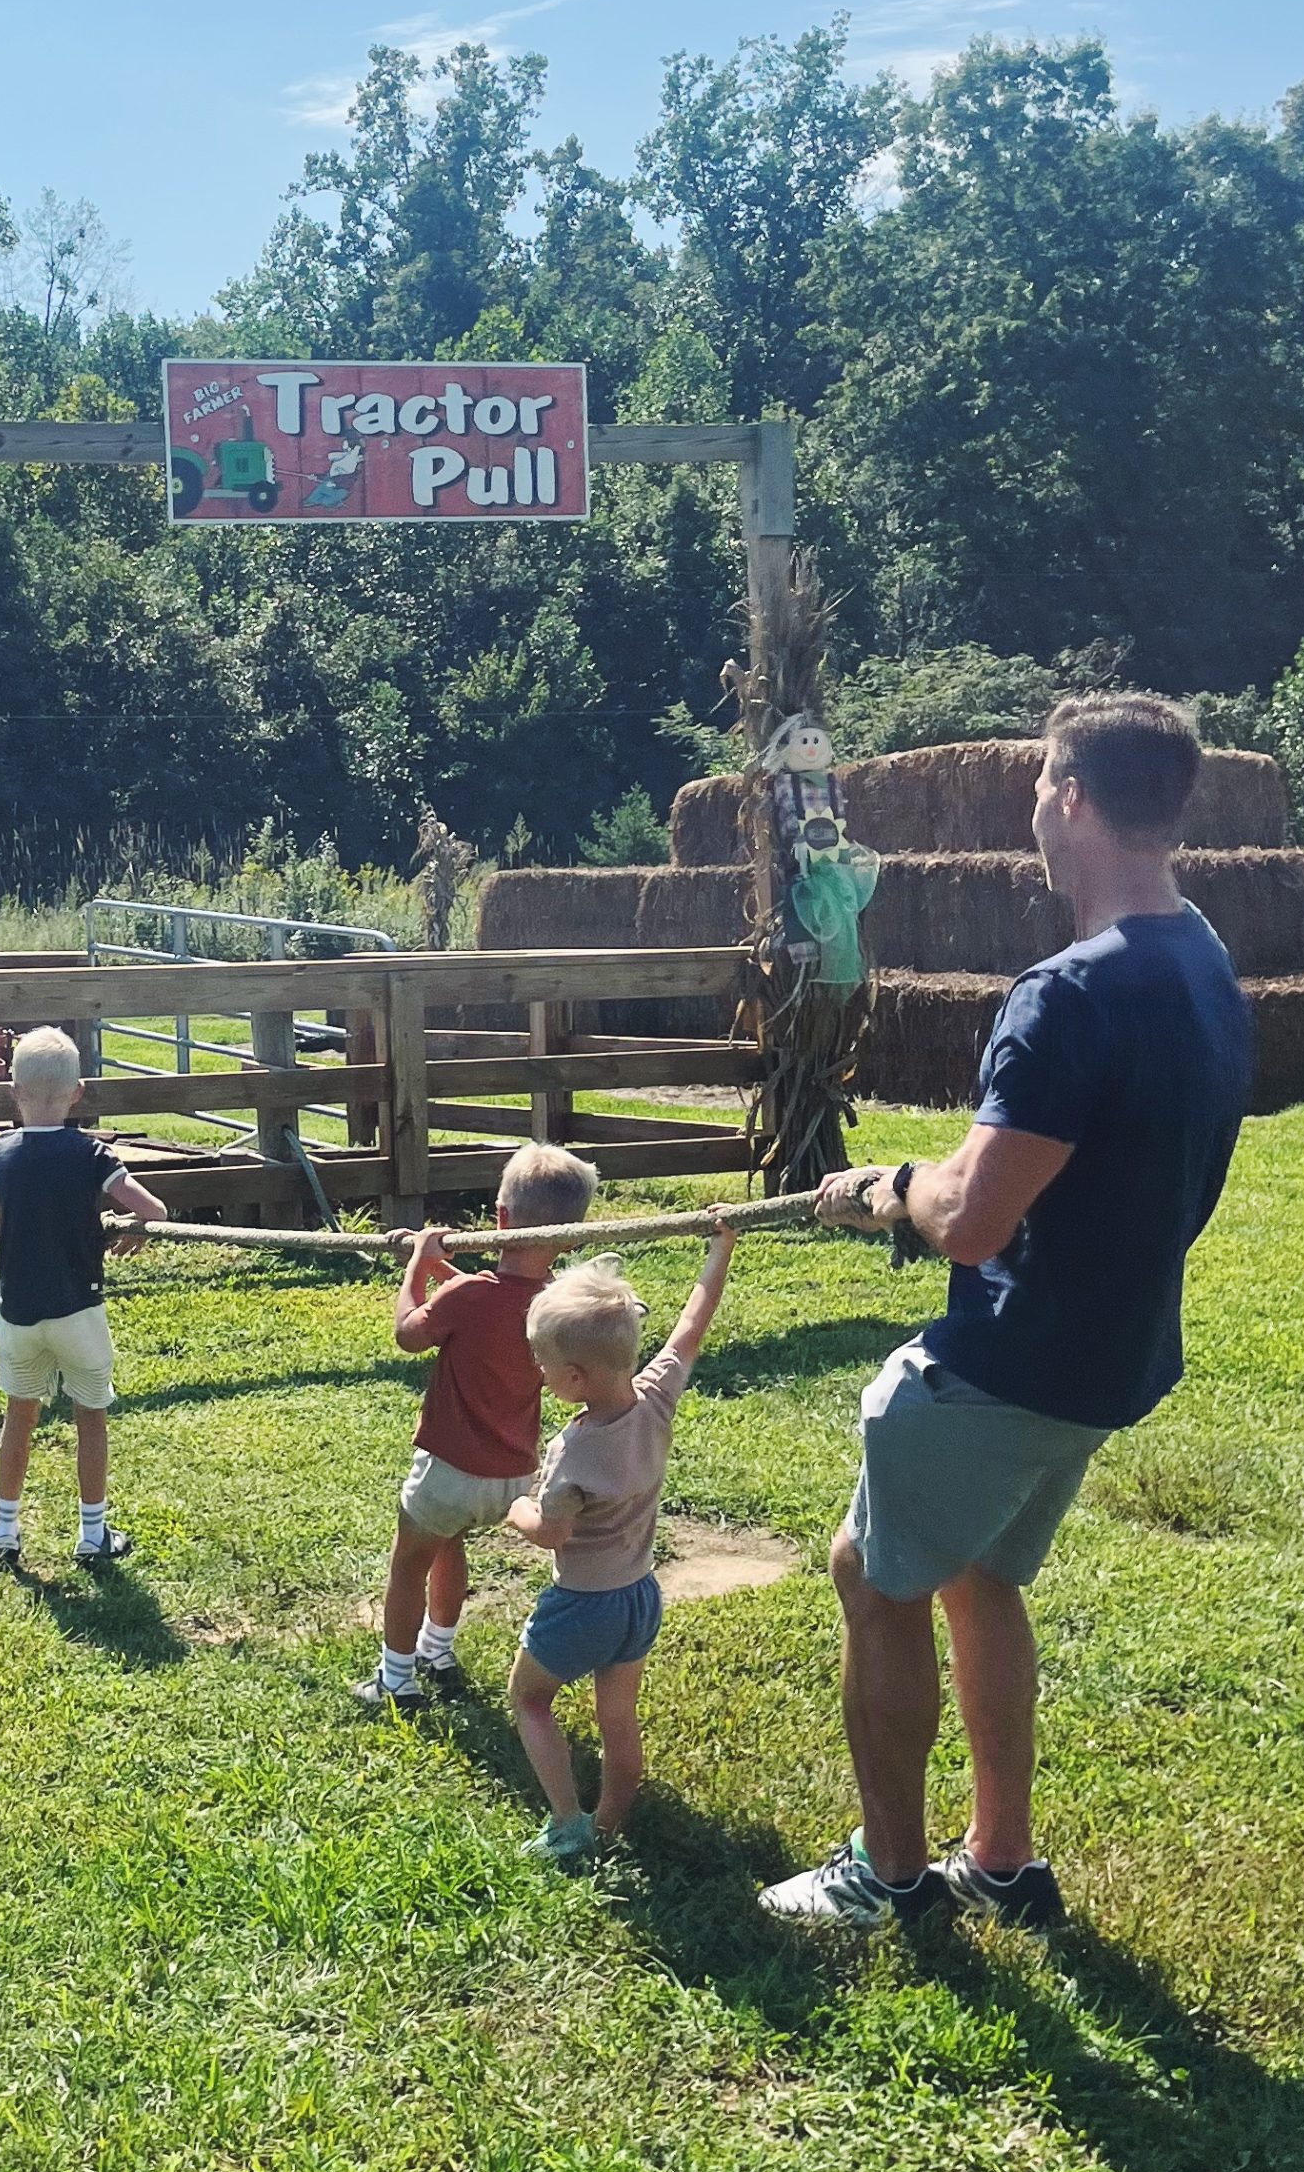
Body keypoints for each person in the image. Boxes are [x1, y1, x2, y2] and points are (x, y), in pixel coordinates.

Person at [761, 693, 1255, 1936]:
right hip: (1113, 1352)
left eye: (1042, 783)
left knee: (871, 1576)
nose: (1033, 805)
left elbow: (973, 1221)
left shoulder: (1065, 994)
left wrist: (887, 1189)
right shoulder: (1202, 958)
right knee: (978, 1575)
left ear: (1076, 799)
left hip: (1014, 1355)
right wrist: (950, 1181)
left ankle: (888, 1877)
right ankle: (1000, 1860)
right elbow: (1074, 1162)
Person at [509, 1226, 736, 1862]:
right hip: (640, 1597)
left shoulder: (575, 1453)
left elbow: (550, 1531)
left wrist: (515, 1508)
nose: (541, 1372)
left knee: (528, 1698)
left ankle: (567, 1822)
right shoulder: (657, 1394)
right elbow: (693, 1323)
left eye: (544, 1365)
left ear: (574, 1377)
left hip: (582, 1603)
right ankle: (611, 1824)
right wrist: (720, 1248)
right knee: (617, 1718)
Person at [354, 1142, 601, 1712]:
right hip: (512, 1480)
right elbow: (497, 1299)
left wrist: (417, 1267)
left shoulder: (466, 1297)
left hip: (449, 1472)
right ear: (568, 1237)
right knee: (451, 1543)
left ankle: (396, 1679)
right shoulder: (553, 1306)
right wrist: (440, 1268)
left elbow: (411, 1332)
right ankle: (437, 1650)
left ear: (500, 1218)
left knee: (408, 1562)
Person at [0, 1025, 169, 1572]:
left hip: (17, 1312)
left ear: (13, 1091)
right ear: (78, 1092)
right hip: (78, 1310)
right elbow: (153, 1208)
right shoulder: (92, 1153)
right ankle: (93, 1534)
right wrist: (134, 1223)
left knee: (19, 1415)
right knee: (91, 1416)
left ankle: (4, 1529)